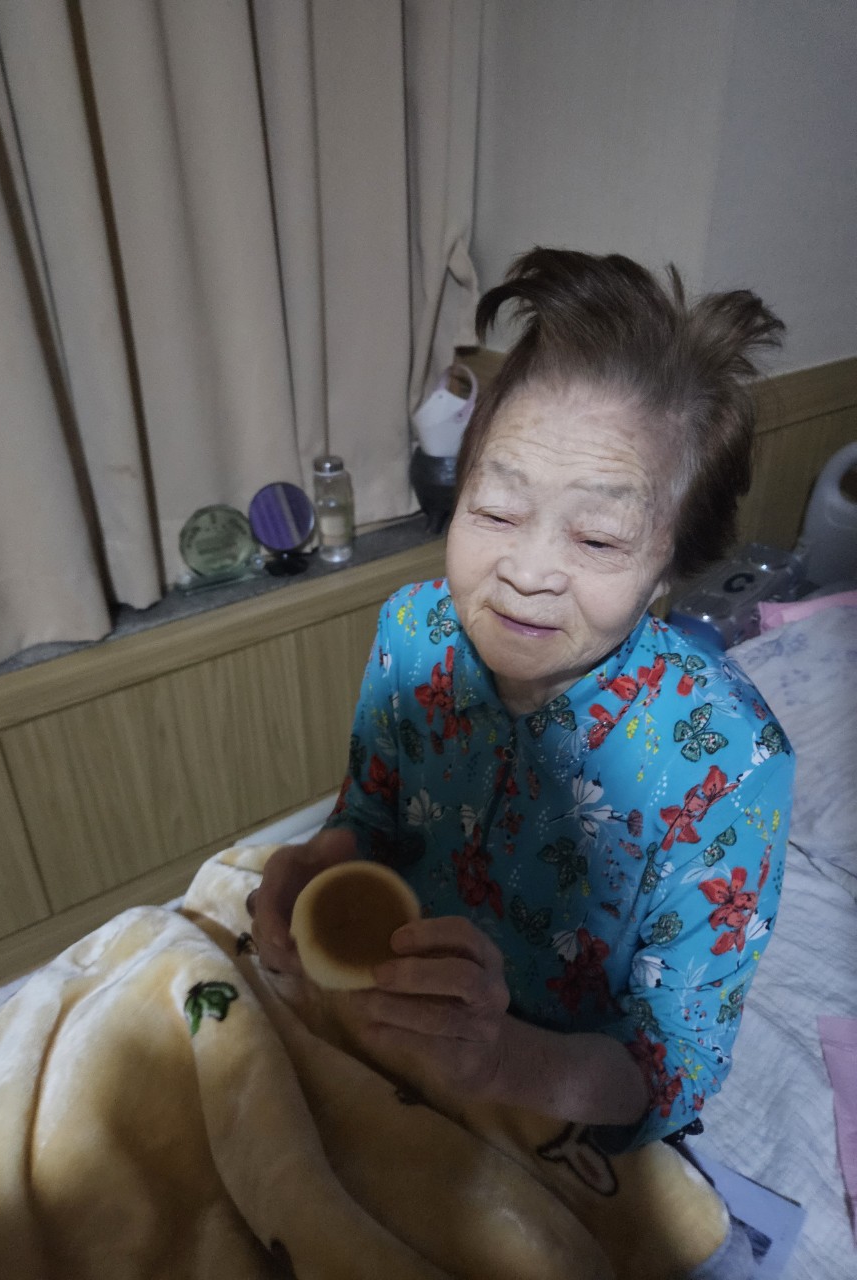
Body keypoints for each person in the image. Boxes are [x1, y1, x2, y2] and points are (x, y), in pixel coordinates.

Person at [252, 246, 793, 1156]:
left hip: (551, 1094)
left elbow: (677, 1064)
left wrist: (503, 1060)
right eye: (496, 513)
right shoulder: (413, 633)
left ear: (670, 565)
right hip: (386, 1013)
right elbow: (372, 817)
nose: (527, 573)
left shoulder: (730, 764)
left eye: (599, 538)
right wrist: (319, 867)